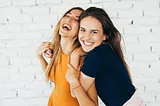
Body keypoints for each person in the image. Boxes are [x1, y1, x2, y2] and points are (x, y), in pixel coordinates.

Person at [67, 7, 144, 106]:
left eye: (94, 32)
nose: (86, 37)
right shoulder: (106, 49)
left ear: (105, 36)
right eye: (83, 30)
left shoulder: (96, 55)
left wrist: (74, 56)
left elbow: (74, 93)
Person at [36, 7, 98, 106]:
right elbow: (54, 79)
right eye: (67, 15)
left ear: (81, 30)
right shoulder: (57, 52)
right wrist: (40, 57)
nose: (69, 19)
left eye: (76, 19)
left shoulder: (82, 60)